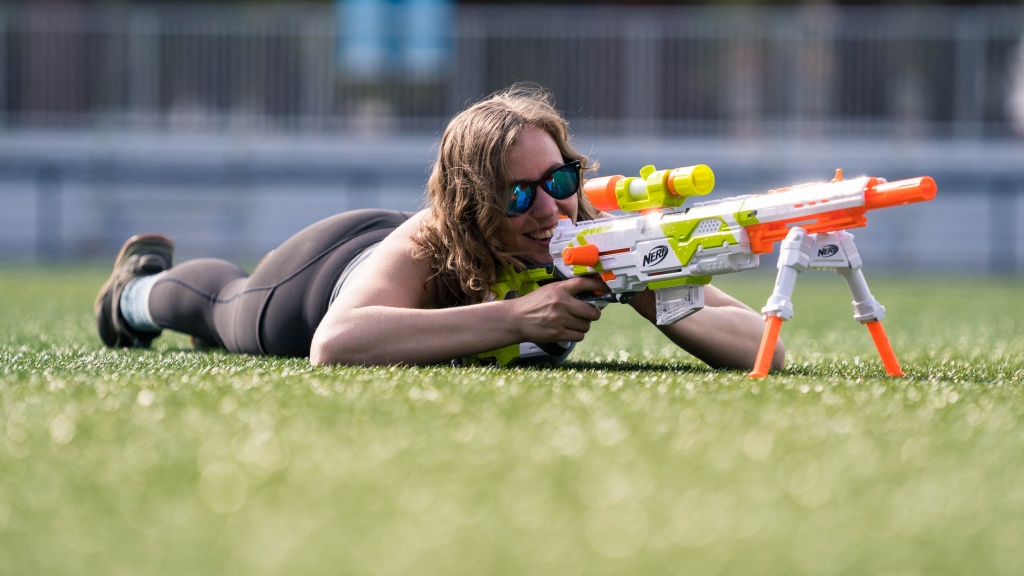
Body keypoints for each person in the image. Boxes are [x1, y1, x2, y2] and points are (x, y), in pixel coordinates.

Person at [95, 84, 784, 370]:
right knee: (223, 306)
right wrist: (519, 317)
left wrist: (643, 288)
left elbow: (766, 350)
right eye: (518, 196)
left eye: (560, 180)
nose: (550, 209)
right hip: (326, 276)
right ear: (471, 204)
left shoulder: (591, 230)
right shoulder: (428, 242)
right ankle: (134, 295)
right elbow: (335, 343)